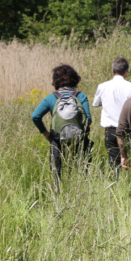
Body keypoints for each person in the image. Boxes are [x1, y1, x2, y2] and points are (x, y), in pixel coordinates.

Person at [31, 64, 92, 193]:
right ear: (75, 79)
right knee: (83, 173)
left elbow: (35, 116)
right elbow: (89, 119)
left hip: (57, 141)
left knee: (57, 173)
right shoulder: (81, 97)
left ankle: (58, 197)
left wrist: (46, 133)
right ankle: (83, 194)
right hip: (80, 142)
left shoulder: (51, 98)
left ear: (55, 81)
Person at [91, 57, 131, 173]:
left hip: (110, 129)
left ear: (112, 70)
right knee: (130, 160)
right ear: (126, 71)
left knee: (113, 162)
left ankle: (116, 184)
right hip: (128, 129)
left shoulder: (102, 86)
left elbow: (96, 103)